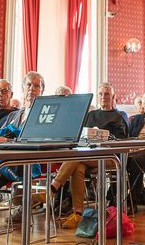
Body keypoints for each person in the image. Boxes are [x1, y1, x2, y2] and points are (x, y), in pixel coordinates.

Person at [50, 83, 129, 229]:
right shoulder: (91, 115)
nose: (103, 97)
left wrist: (103, 137)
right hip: (88, 155)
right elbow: (81, 135)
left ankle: (54, 187)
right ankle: (78, 214)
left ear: (113, 97)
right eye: (100, 94)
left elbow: (121, 143)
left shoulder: (119, 117)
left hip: (110, 157)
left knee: (76, 157)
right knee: (78, 167)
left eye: (106, 94)